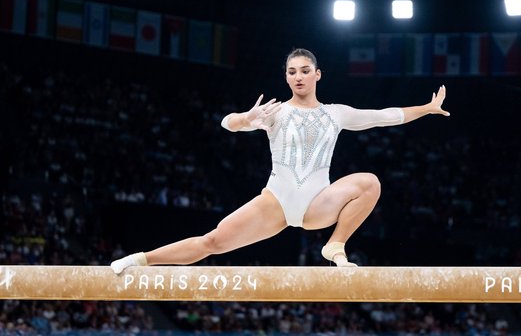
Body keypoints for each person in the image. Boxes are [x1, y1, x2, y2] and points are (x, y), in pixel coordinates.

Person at [110, 48, 450, 273]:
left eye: (305, 70)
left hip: (319, 204)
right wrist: (246, 118)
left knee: (370, 183)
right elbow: (227, 123)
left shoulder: (337, 114)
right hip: (275, 204)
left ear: (318, 74)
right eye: (292, 71)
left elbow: (383, 116)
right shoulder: (275, 112)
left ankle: (335, 245)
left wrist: (426, 108)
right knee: (212, 242)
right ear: (286, 77)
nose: (298, 76)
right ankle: (141, 259)